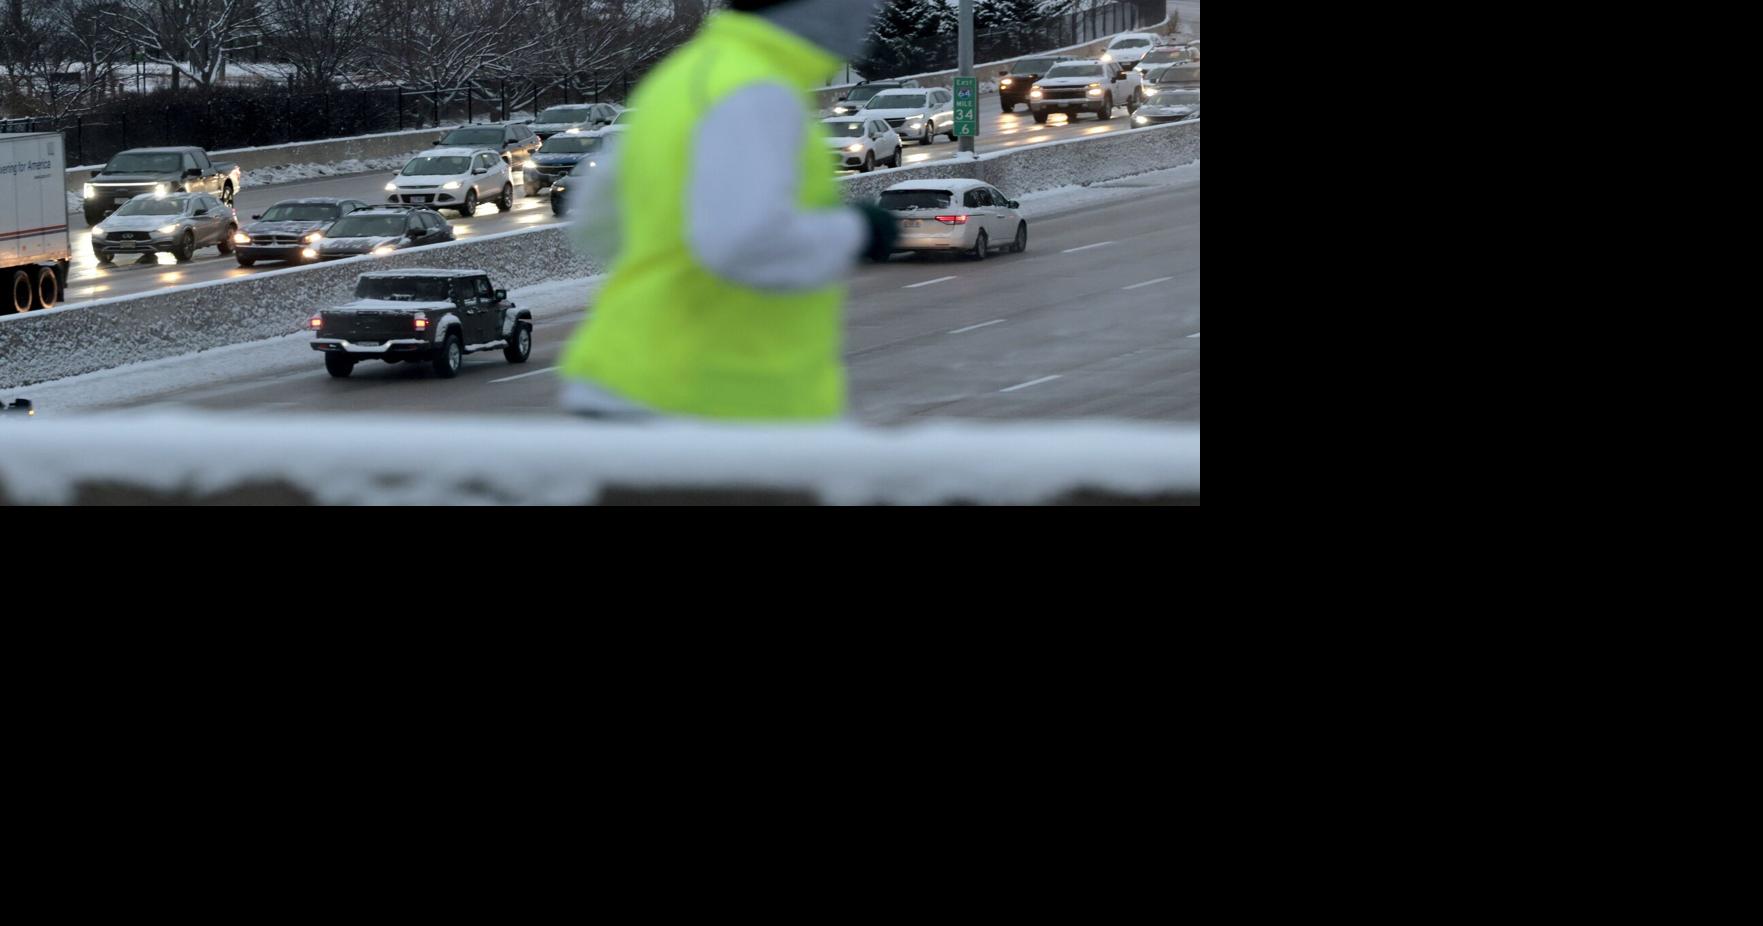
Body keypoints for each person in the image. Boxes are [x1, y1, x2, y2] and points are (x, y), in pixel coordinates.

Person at [558, 0, 897, 421]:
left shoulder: (687, 75)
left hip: (634, 378)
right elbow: (743, 243)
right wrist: (857, 230)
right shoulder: (757, 91)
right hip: (709, 395)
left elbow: (597, 219)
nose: (866, 20)